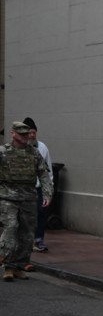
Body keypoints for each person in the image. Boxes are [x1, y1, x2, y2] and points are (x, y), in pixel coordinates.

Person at [0, 120, 53, 282]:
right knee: (11, 229)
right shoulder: (3, 152)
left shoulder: (34, 153)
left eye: (26, 134)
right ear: (13, 133)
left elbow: (44, 174)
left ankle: (20, 264)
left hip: (29, 198)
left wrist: (47, 194)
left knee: (27, 233)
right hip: (8, 198)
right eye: (21, 134)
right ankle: (8, 266)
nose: (25, 137)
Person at [24, 117, 52, 253]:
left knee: (40, 213)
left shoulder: (42, 148)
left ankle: (38, 239)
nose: (32, 135)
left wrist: (48, 190)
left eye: (34, 132)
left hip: (38, 187)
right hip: (23, 188)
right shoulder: (18, 148)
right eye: (29, 132)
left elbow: (48, 171)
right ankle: (25, 241)